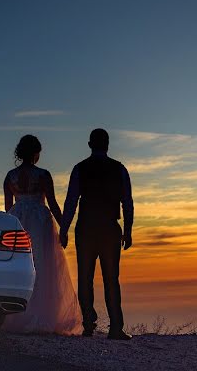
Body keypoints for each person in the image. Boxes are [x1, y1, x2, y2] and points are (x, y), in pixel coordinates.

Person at [2, 134, 82, 335]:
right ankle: (44, 315)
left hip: (18, 218)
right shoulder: (43, 175)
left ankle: (17, 314)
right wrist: (63, 229)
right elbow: (53, 204)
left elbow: (7, 208)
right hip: (39, 220)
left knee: (21, 263)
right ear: (36, 153)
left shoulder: (10, 176)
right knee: (44, 265)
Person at [60, 128, 133, 340]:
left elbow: (71, 201)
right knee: (112, 279)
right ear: (107, 145)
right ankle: (116, 328)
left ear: (90, 144)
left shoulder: (80, 169)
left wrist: (64, 229)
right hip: (110, 229)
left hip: (86, 228)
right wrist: (128, 230)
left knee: (85, 277)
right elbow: (127, 202)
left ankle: (89, 325)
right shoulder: (119, 169)